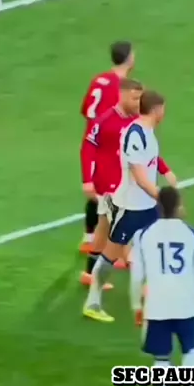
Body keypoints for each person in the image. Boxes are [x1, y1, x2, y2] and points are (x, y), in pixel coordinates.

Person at [83, 90, 167, 322]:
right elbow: (138, 176)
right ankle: (92, 303)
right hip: (129, 207)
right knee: (110, 255)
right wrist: (161, 196)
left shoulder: (148, 132)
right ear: (156, 109)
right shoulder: (135, 134)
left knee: (155, 249)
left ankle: (155, 296)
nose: (164, 113)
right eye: (163, 108)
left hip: (148, 206)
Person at [130, 186, 194, 386]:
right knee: (191, 350)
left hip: (157, 305)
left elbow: (137, 277)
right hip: (186, 303)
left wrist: (137, 306)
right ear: (178, 206)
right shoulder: (193, 235)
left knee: (161, 360)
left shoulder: (143, 235)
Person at [80, 78, 144, 287]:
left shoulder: (136, 120)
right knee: (110, 228)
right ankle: (94, 272)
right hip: (108, 184)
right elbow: (87, 149)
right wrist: (87, 180)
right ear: (122, 95)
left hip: (127, 183)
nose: (138, 103)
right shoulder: (105, 121)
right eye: (134, 98)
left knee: (113, 227)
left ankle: (108, 264)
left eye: (140, 99)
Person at [79, 41, 135, 254]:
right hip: (107, 146)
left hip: (92, 141)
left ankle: (89, 238)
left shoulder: (99, 80)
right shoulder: (121, 87)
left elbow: (86, 110)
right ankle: (116, 249)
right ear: (129, 58)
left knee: (97, 192)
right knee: (112, 195)